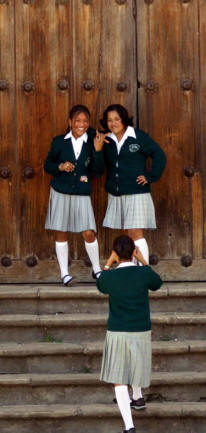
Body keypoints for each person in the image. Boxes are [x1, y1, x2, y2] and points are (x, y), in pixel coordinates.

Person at [96, 235, 163, 433]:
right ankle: (138, 397)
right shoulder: (143, 273)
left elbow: (100, 285)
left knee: (119, 377)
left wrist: (108, 263)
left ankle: (129, 426)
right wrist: (143, 261)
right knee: (135, 366)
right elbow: (157, 283)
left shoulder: (110, 276)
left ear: (116, 254)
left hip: (118, 330)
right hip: (141, 329)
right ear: (134, 251)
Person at [95, 104, 166, 267]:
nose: (113, 123)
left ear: (124, 119)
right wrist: (98, 150)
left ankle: (144, 271)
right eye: (109, 120)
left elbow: (159, 155)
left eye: (117, 119)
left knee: (135, 232)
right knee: (127, 235)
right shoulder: (106, 140)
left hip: (136, 192)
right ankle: (131, 270)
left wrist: (150, 176)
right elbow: (98, 168)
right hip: (117, 193)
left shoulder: (138, 137)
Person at [44, 104, 104, 285]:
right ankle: (65, 274)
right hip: (60, 191)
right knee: (61, 232)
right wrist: (60, 167)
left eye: (85, 121)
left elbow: (98, 171)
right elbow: (48, 165)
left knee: (88, 232)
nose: (82, 124)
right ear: (70, 122)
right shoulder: (59, 141)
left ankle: (97, 270)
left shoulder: (93, 141)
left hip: (81, 192)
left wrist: (99, 151)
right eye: (77, 120)